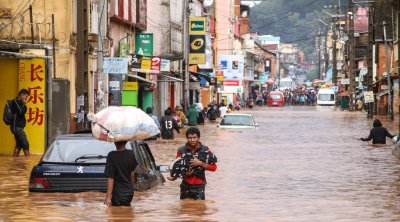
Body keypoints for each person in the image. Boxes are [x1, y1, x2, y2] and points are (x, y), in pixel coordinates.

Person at [167, 127, 217, 200]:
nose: (192, 140)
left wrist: (200, 163)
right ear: (187, 138)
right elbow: (178, 168)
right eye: (190, 138)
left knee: (199, 209)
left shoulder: (205, 150)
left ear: (199, 138)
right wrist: (174, 177)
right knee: (184, 208)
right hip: (185, 185)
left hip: (199, 186)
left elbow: (214, 167)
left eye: (194, 137)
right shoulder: (181, 150)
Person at [104, 141, 138, 207]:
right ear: (126, 142)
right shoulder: (131, 153)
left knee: (115, 214)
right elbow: (132, 174)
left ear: (114, 142)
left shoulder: (112, 155)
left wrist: (108, 198)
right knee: (127, 212)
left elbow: (111, 178)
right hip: (129, 193)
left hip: (117, 193)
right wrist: (131, 186)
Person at [10, 89, 30, 157]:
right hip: (16, 127)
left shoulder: (20, 103)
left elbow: (23, 111)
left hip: (18, 127)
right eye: (26, 97)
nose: (26, 99)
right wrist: (24, 104)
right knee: (25, 142)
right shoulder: (15, 102)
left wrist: (23, 104)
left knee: (19, 144)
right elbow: (21, 112)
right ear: (21, 95)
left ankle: (14, 159)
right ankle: (28, 161)